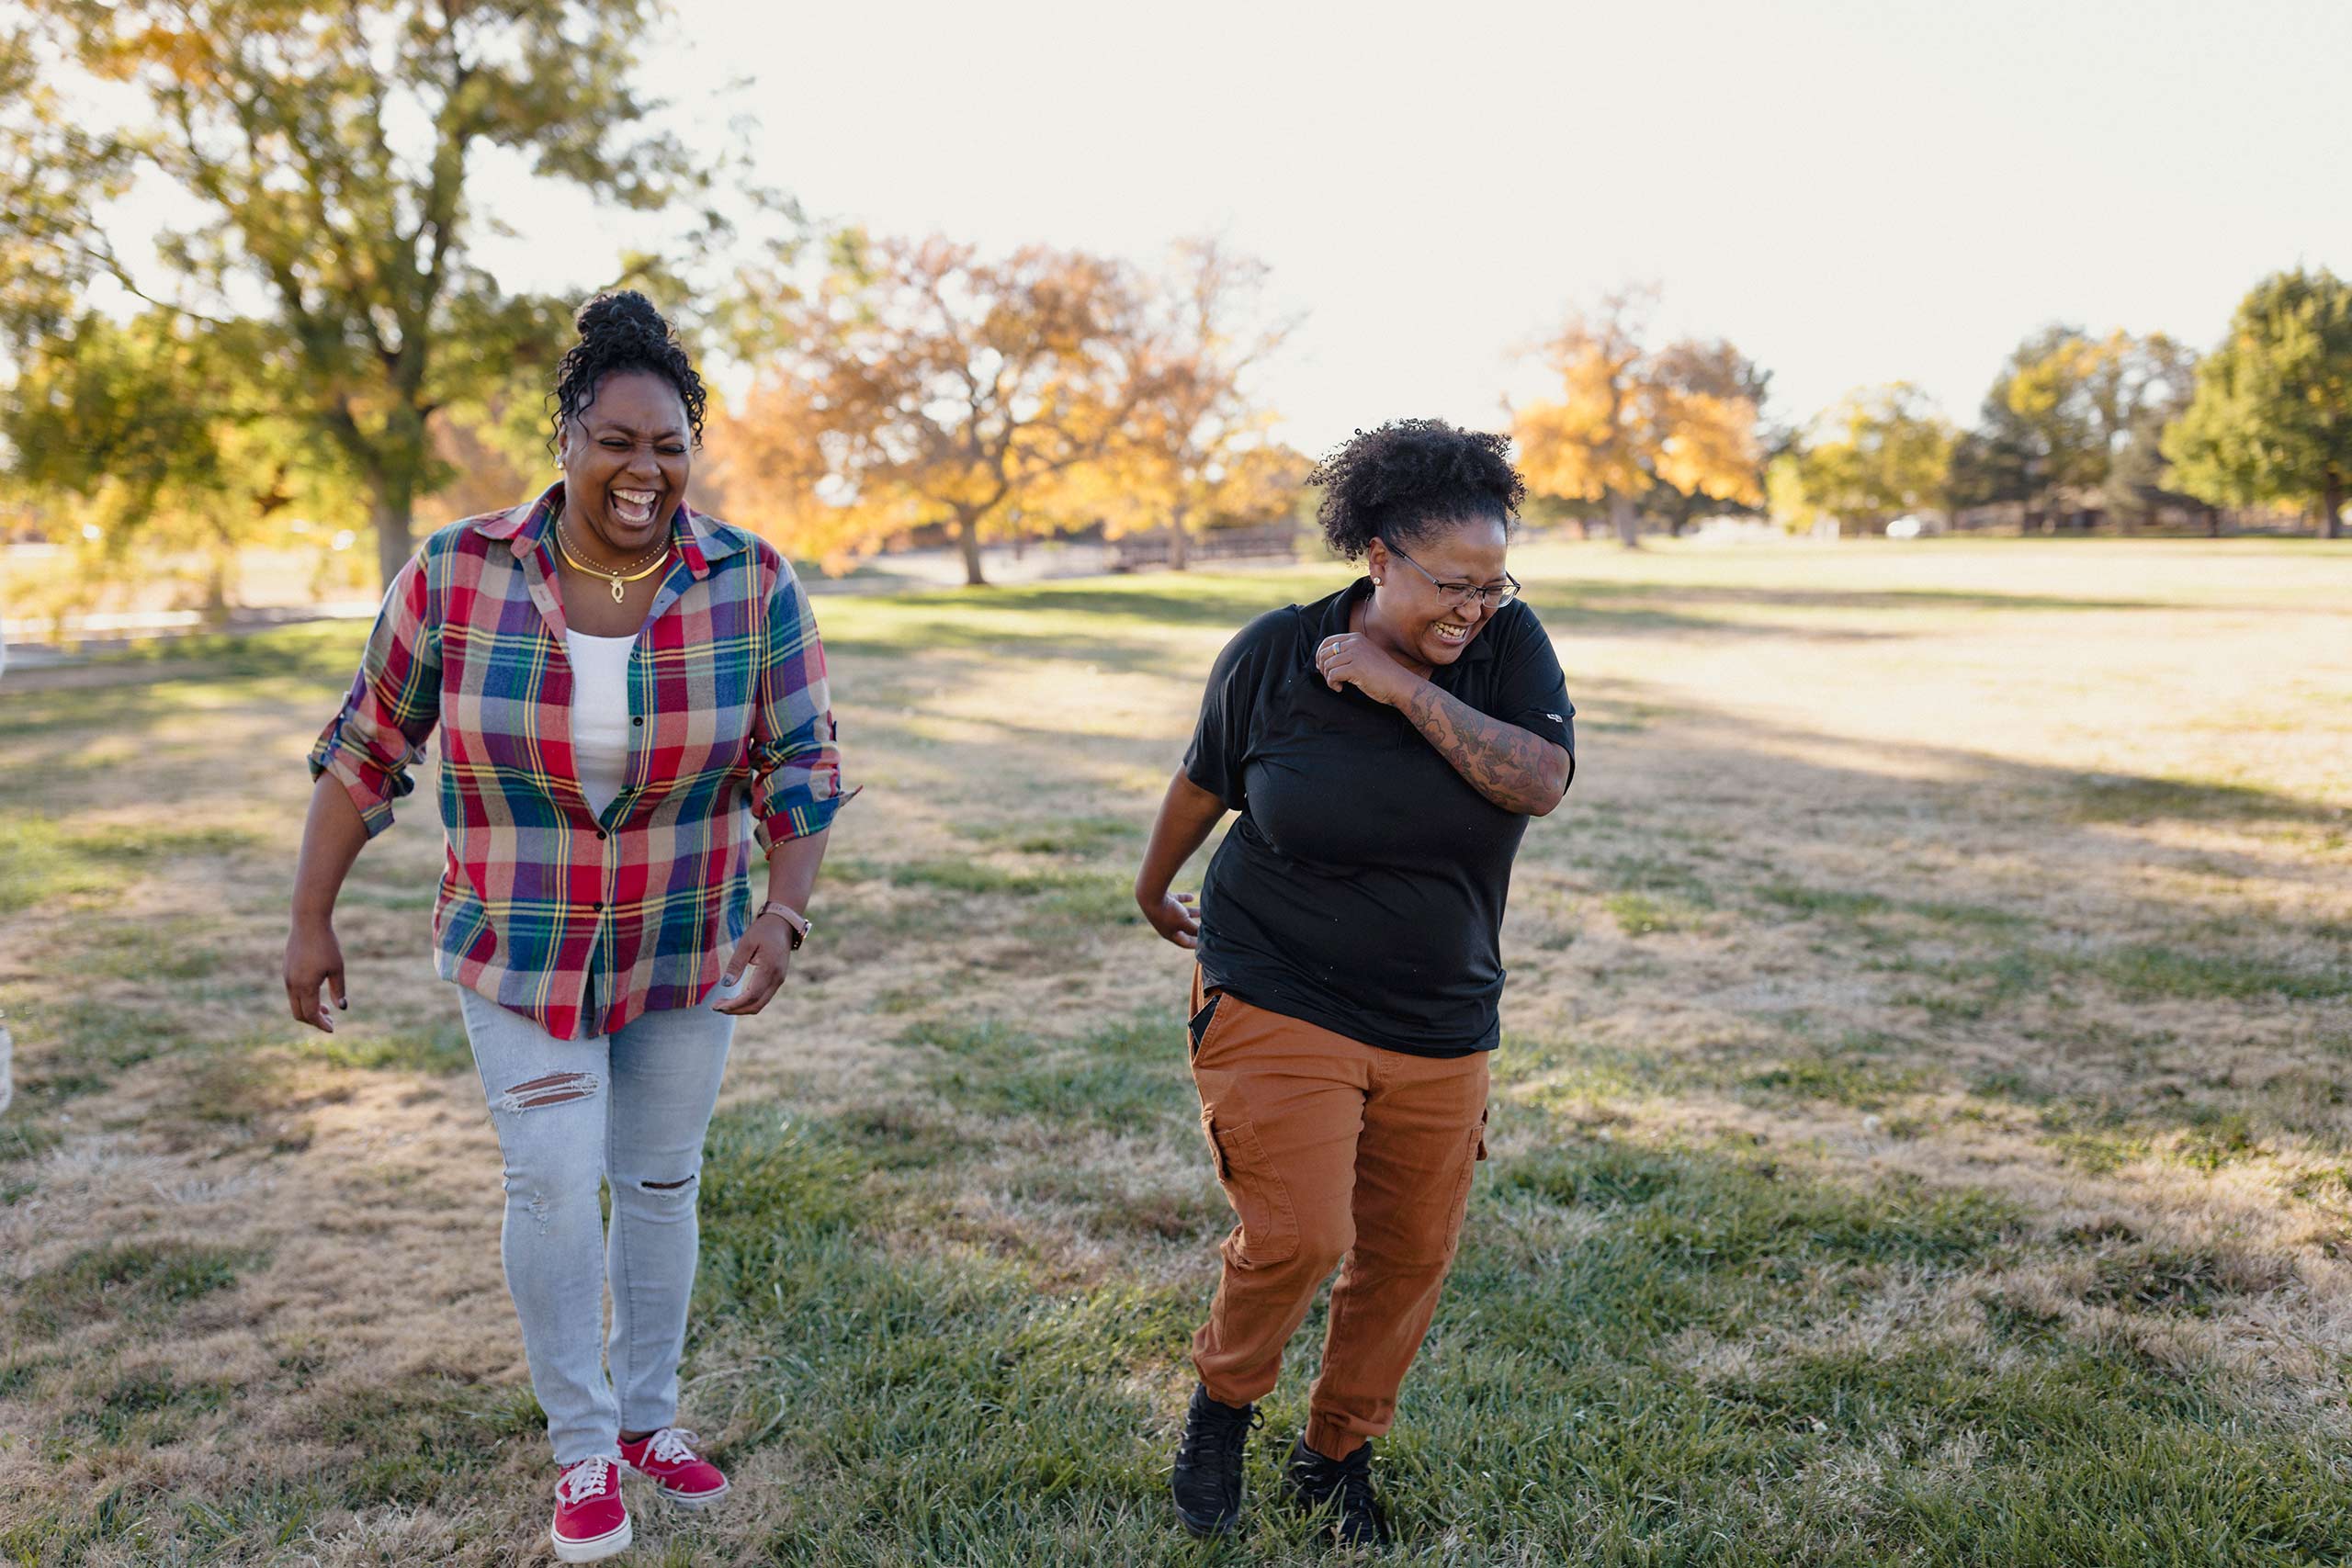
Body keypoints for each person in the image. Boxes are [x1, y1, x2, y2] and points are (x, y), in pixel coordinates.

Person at [282, 292, 849, 1564]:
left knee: (657, 1181)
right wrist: (308, 916)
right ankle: (583, 1446)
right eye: (617, 440)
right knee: (550, 1178)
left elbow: (800, 756)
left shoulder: (749, 580)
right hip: (520, 940)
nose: (643, 469)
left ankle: (651, 1418)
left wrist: (786, 907)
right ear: (567, 438)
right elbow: (367, 745)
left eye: (669, 444)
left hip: (683, 936)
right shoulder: (456, 571)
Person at [1133, 419, 1574, 1548]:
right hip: (1275, 979)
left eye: (1491, 582)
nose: (1472, 607)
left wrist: (1393, 681)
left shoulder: (1510, 649)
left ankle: (1335, 1453)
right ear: (1378, 557)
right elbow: (1204, 779)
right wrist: (1150, 885)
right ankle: (1222, 1409)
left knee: (1411, 1253)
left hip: (1441, 1013)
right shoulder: (1273, 653)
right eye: (1448, 584)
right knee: (1299, 1233)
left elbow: (1536, 780)